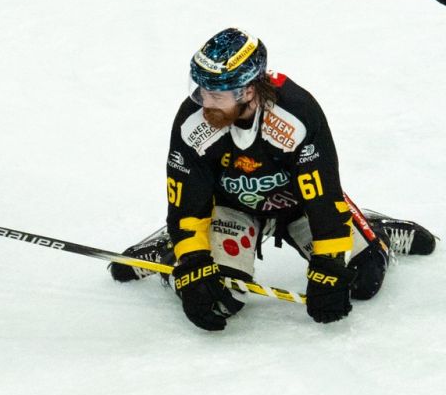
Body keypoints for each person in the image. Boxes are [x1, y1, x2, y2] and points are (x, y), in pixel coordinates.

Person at [109, 28, 435, 330]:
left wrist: (331, 264)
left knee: (362, 280)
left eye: (217, 95)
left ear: (248, 90)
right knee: (216, 298)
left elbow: (323, 195)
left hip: (299, 206)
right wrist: (191, 260)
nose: (205, 105)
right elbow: (186, 199)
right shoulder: (193, 123)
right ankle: (170, 250)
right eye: (202, 91)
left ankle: (374, 232)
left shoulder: (295, 114)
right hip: (231, 206)